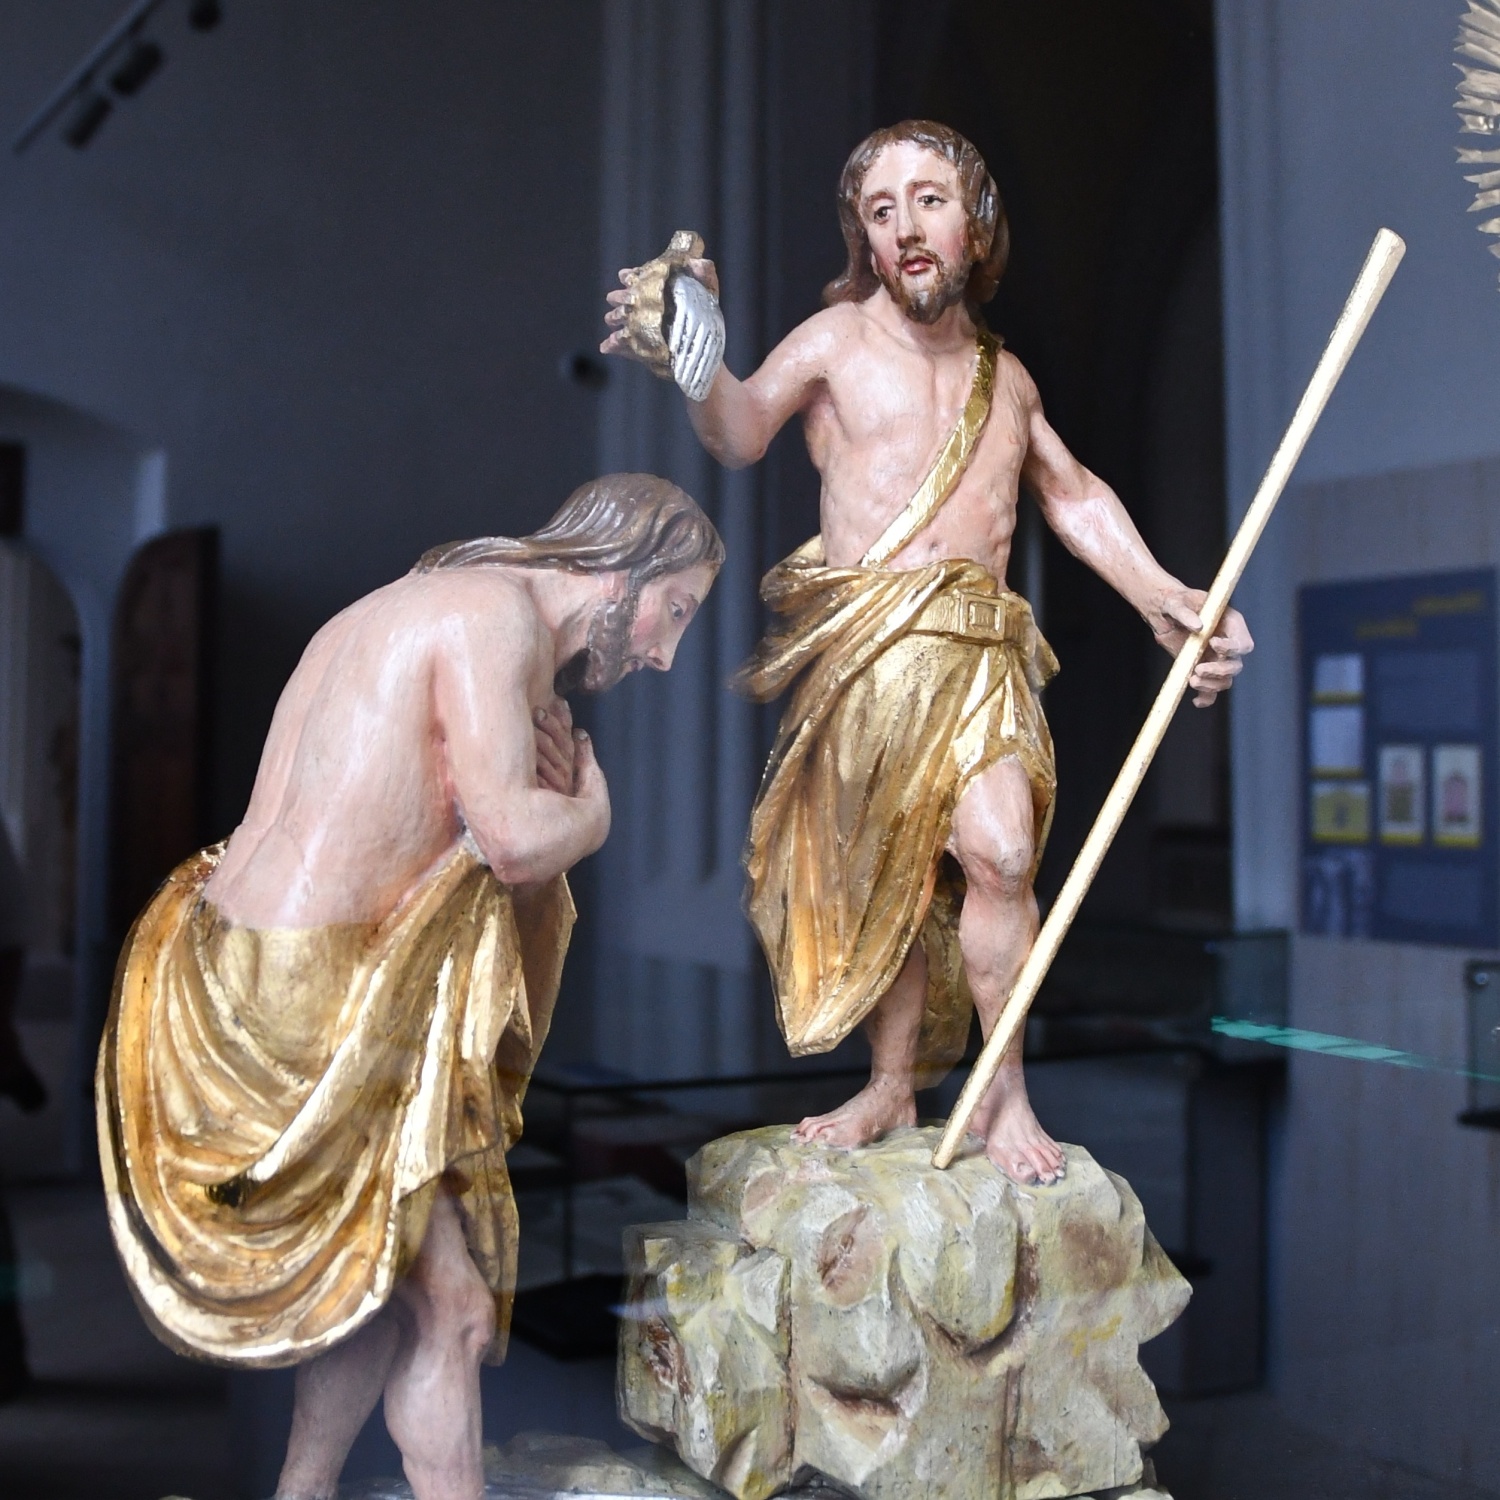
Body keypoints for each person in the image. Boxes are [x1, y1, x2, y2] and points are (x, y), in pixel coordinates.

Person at [602, 120, 1251, 1188]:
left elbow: (1073, 496)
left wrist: (1164, 598)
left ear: (975, 224)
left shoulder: (1008, 378)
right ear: (862, 236)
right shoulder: (836, 343)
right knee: (889, 880)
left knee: (1001, 855)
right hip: (873, 649)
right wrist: (696, 354)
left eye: (930, 200)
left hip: (979, 650)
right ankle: (892, 1083)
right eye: (881, 209)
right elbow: (741, 428)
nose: (905, 227)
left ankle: (1003, 1093)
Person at [96, 473, 722, 1500]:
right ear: (623, 568)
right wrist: (591, 814)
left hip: (242, 957)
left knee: (385, 1281)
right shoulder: (494, 618)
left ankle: (303, 1491)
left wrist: (539, 804)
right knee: (454, 1308)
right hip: (319, 990)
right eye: (678, 608)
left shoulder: (429, 596)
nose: (665, 652)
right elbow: (512, 841)